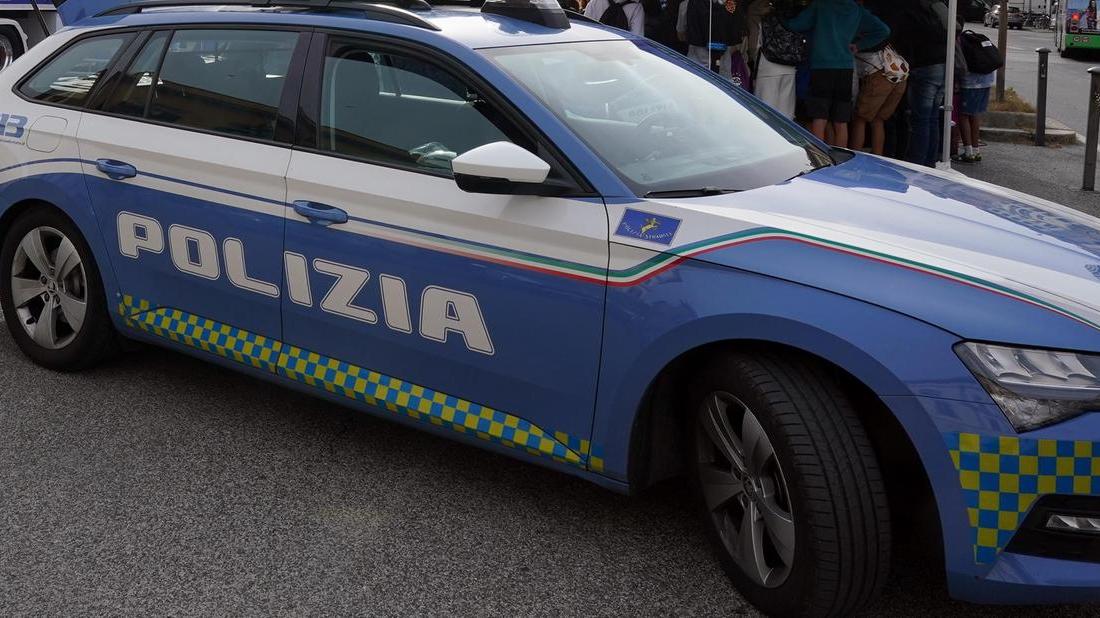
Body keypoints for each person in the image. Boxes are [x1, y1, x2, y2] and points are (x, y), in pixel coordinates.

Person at [785, 0, 889, 146]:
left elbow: (796, 25)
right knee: (841, 120)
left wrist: (781, 18)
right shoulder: (855, 9)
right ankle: (841, 161)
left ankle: (819, 160)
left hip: (822, 67)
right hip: (845, 68)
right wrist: (859, 45)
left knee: (819, 117)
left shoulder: (821, 5)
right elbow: (883, 30)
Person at [893, 0, 948, 167]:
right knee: (932, 117)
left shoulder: (908, 13)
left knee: (921, 119)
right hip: (942, 64)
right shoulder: (934, 11)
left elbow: (901, 39)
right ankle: (930, 161)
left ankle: (917, 162)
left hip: (923, 65)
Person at [851, 41, 907, 154]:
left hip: (879, 75)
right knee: (878, 119)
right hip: (900, 76)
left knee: (860, 118)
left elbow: (854, 81)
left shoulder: (854, 44)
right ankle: (878, 156)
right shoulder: (879, 40)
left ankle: (854, 156)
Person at [679, 0, 747, 79]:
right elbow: (737, 36)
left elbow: (681, 36)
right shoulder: (731, 3)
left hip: (696, 68)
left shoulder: (687, 4)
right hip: (723, 71)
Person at [957, 53, 994, 162]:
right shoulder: (976, 39)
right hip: (985, 81)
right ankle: (976, 150)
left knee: (964, 115)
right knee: (975, 114)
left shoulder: (962, 40)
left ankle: (968, 152)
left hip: (970, 82)